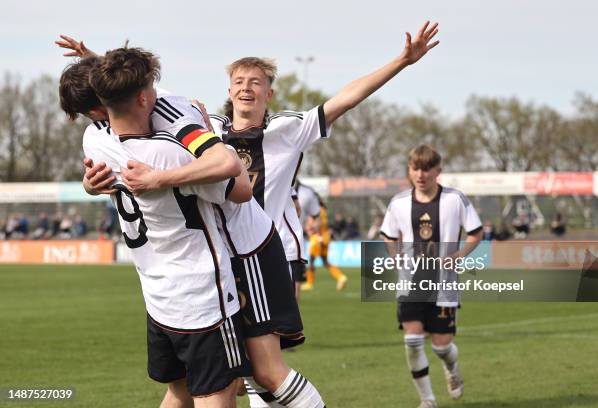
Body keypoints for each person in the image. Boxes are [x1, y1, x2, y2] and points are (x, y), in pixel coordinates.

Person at [57, 39, 324, 408]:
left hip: (201, 268)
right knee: (234, 381)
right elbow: (240, 184)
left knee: (255, 374)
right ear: (139, 97)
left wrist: (105, 183)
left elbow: (129, 86)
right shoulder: (172, 146)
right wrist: (193, 152)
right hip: (211, 268)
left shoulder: (96, 142)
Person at [114, 21, 440, 308]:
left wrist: (402, 61)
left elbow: (347, 98)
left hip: (275, 250)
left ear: (268, 93)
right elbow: (147, 101)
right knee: (232, 361)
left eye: (255, 82)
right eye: (239, 81)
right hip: (221, 253)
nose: (246, 87)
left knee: (270, 354)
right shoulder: (207, 128)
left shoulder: (288, 129)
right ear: (229, 90)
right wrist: (101, 68)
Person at [380, 145, 483, 408]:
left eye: (427, 168)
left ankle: (452, 368)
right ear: (409, 170)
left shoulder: (455, 199)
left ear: (438, 171)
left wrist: (459, 255)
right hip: (410, 282)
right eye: (415, 168)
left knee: (441, 347)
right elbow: (388, 235)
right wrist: (395, 256)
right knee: (412, 340)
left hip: (444, 284)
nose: (421, 174)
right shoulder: (399, 202)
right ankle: (427, 400)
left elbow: (476, 233)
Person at [297, 181, 347, 291]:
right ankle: (340, 277)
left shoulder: (316, 210)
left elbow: (316, 223)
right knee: (325, 261)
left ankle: (309, 283)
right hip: (326, 237)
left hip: (317, 238)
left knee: (311, 261)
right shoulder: (323, 210)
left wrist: (309, 229)